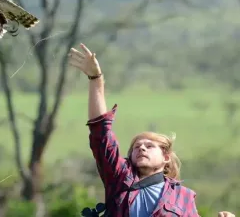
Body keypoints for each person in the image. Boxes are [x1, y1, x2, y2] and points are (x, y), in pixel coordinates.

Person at [68, 43, 236, 217]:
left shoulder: (183, 196)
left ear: (165, 157)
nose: (141, 148)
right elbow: (101, 132)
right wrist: (95, 78)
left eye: (149, 146)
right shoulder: (119, 177)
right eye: (136, 147)